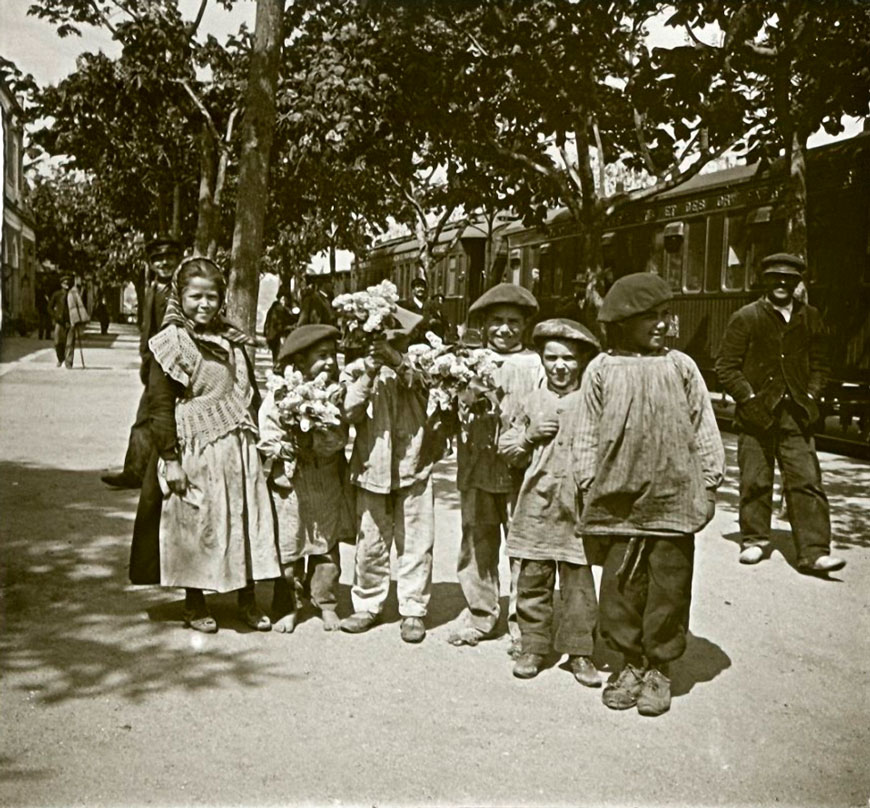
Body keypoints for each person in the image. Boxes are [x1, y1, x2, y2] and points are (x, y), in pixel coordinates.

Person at [575, 273, 725, 716]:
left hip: (673, 497)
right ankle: (629, 663)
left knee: (669, 585)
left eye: (664, 315)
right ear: (623, 322)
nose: (662, 324)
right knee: (620, 586)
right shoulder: (601, 369)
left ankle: (659, 666)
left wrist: (710, 482)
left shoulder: (681, 367)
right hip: (618, 498)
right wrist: (588, 485)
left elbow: (703, 427)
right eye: (649, 317)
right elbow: (585, 435)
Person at [129, 257, 280, 632]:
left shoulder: (233, 340)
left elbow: (250, 393)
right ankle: (195, 605)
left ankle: (247, 600)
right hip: (194, 448)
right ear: (180, 297)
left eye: (212, 297)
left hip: (237, 449)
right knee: (196, 525)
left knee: (242, 521)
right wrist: (171, 460)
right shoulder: (172, 343)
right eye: (195, 296)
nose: (205, 304)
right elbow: (159, 407)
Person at [715, 253, 845, 574]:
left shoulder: (810, 318)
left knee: (806, 480)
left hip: (796, 414)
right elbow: (726, 366)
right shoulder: (746, 318)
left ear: (797, 282)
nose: (782, 284)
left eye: (789, 279)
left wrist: (812, 394)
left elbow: (821, 364)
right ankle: (754, 541)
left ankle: (814, 552)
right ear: (765, 281)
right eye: (775, 278)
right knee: (755, 479)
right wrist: (748, 397)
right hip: (756, 414)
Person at [498, 318, 602, 685]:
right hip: (537, 508)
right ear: (541, 360)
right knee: (533, 582)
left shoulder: (592, 402)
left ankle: (579, 652)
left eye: (569, 359)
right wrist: (528, 435)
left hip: (576, 510)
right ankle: (533, 646)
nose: (560, 366)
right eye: (552, 358)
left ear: (583, 361)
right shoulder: (530, 402)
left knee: (578, 586)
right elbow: (507, 448)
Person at [447, 283, 544, 653]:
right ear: (484, 325)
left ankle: (524, 621)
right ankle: (481, 612)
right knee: (477, 541)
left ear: (525, 326)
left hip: (521, 469)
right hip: (476, 466)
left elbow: (545, 410)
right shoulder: (467, 363)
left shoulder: (535, 365)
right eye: (497, 322)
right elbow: (450, 410)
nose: (504, 329)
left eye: (513, 322)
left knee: (522, 546)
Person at [339, 307, 442, 643]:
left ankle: (413, 609)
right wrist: (369, 373)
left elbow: (429, 389)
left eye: (391, 339)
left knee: (415, 541)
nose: (381, 346)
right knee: (371, 539)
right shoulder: (356, 370)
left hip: (414, 465)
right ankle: (368, 603)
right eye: (376, 340)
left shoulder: (419, 366)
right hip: (372, 467)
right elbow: (350, 412)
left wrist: (397, 362)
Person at [258, 324, 355, 633]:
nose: (330, 362)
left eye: (333, 356)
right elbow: (269, 433)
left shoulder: (335, 394)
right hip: (292, 483)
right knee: (289, 543)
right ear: (299, 363)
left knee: (326, 543)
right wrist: (289, 445)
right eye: (321, 356)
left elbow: (340, 435)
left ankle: (325, 601)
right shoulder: (281, 394)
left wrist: (321, 436)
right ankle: (287, 605)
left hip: (326, 478)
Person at [102, 237, 181, 489]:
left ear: (178, 259)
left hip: (177, 362)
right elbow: (147, 328)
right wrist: (145, 360)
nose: (164, 263)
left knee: (159, 417)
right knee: (144, 417)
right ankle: (135, 470)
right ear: (151, 263)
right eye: (158, 259)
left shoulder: (182, 289)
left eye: (169, 257)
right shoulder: (153, 289)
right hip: (155, 362)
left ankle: (147, 470)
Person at [399, 277, 446, 342]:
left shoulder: (430, 304)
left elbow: (438, 319)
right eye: (418, 287)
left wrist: (433, 321)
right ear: (413, 290)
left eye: (422, 287)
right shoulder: (407, 305)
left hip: (428, 337)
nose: (421, 289)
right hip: (412, 339)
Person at [263, 290, 296, 364]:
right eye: (284, 298)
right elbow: (278, 324)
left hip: (274, 336)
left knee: (277, 356)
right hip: (277, 336)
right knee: (279, 356)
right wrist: (289, 327)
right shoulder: (279, 309)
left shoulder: (276, 308)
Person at [64, 279, 89, 368]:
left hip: (71, 320)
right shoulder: (61, 293)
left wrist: (76, 319)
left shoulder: (74, 293)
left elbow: (78, 307)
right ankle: (62, 358)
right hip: (61, 320)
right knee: (59, 342)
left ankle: (68, 361)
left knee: (70, 342)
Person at [49, 276, 71, 367]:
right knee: (57, 342)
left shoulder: (71, 295)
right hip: (59, 321)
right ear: (61, 284)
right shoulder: (57, 294)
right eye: (65, 283)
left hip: (69, 321)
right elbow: (49, 307)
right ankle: (60, 358)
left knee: (68, 342)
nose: (67, 285)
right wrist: (55, 315)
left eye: (68, 283)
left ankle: (68, 361)